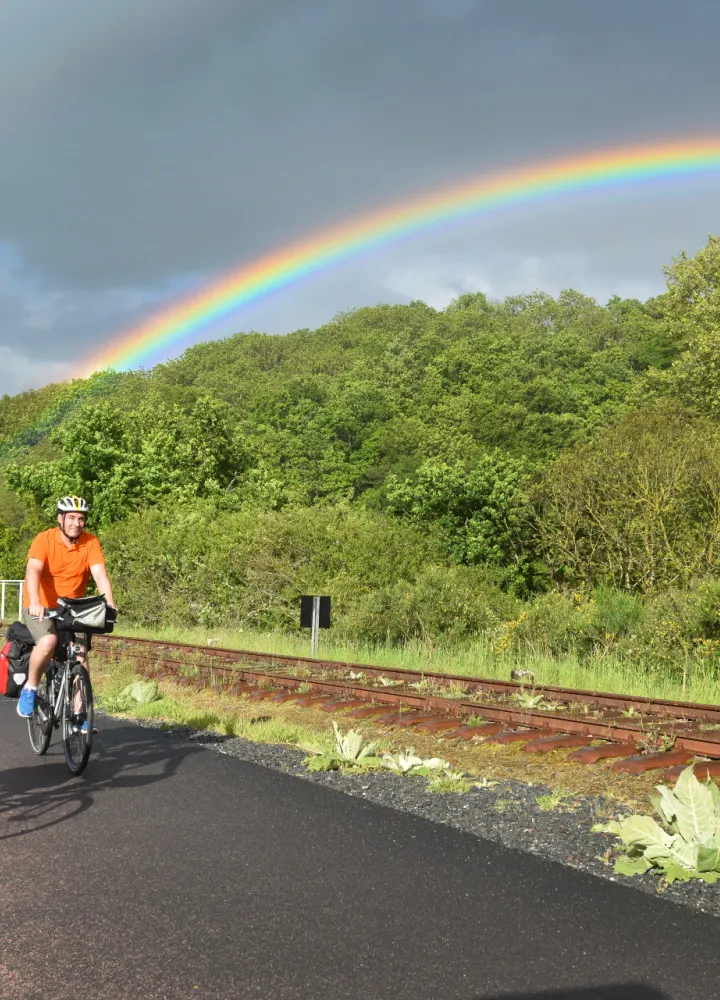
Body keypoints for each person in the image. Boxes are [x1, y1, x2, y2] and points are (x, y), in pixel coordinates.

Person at [16, 495, 116, 721]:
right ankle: (30, 688)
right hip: (40, 606)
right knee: (48, 642)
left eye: (81, 518)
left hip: (72, 609)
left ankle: (80, 715)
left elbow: (100, 574)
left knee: (79, 655)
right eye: (71, 517)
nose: (76, 523)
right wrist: (34, 601)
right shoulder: (45, 539)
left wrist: (109, 603)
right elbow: (33, 571)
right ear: (60, 518)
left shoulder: (90, 542)